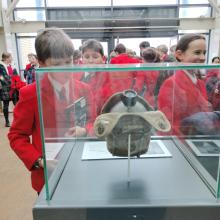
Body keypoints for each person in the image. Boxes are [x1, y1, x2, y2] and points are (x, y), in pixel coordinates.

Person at [8, 28, 97, 193]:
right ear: (41, 63)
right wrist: (39, 161)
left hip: (81, 166)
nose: (65, 69)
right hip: (48, 174)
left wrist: (85, 130)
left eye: (68, 61)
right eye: (57, 64)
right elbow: (16, 136)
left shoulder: (84, 89)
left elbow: (94, 121)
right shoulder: (30, 94)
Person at [158, 33, 212, 135]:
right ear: (179, 55)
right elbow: (168, 122)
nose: (203, 57)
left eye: (204, 53)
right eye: (197, 52)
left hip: (196, 138)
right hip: (181, 140)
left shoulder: (199, 82)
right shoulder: (171, 84)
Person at [0, 52, 22, 127]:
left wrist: (16, 82)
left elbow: (16, 75)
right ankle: (7, 121)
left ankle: (18, 120)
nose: (11, 58)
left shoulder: (11, 66)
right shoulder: (1, 66)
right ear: (6, 58)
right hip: (5, 88)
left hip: (14, 88)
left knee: (17, 104)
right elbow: (1, 77)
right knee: (6, 105)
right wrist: (8, 82)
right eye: (10, 57)